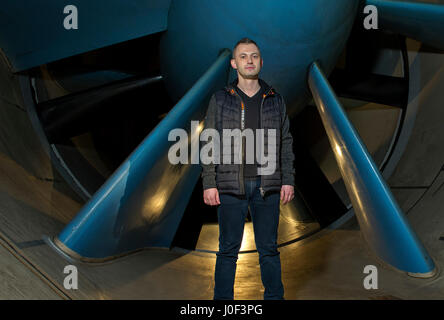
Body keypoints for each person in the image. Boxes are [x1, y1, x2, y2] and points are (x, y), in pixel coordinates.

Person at [201, 37, 295, 300]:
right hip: (231, 186)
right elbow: (210, 140)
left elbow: (285, 142)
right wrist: (209, 182)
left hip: (268, 187)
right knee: (228, 251)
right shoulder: (221, 99)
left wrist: (288, 179)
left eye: (254, 56)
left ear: (261, 62)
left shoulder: (275, 99)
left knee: (269, 249)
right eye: (243, 56)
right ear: (234, 63)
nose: (249, 61)